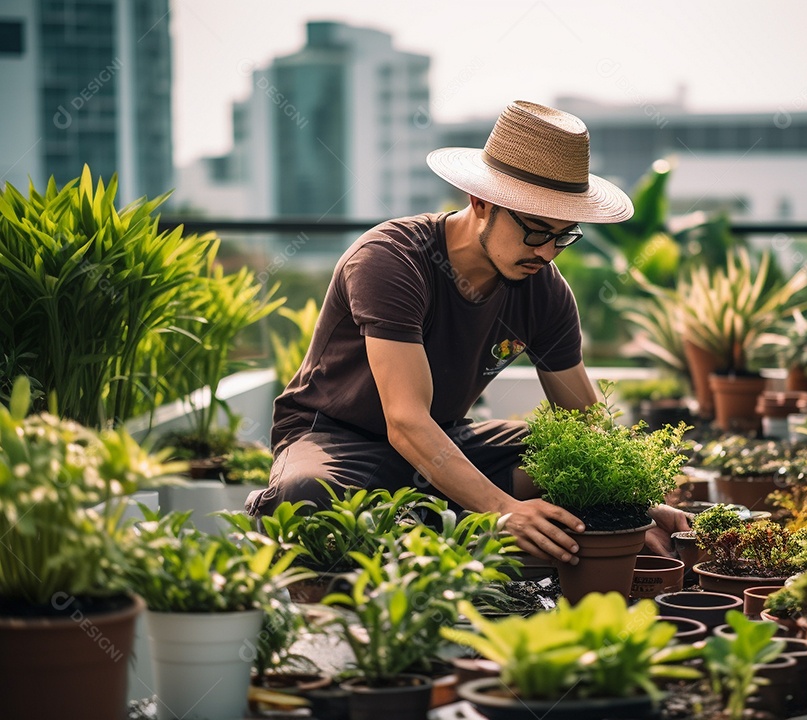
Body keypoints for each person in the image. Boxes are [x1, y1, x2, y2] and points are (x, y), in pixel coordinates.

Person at [245, 100, 689, 563]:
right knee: (305, 497)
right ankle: (441, 521)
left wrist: (637, 504)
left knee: (565, 460)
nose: (549, 252)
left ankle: (433, 519)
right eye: (537, 230)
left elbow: (585, 424)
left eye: (565, 235)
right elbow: (405, 421)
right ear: (480, 201)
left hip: (447, 441)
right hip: (338, 440)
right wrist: (503, 510)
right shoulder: (391, 260)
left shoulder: (544, 290)